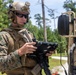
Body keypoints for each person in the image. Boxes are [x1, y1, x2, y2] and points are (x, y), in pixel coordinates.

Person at [0, 1, 54, 75]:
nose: (23, 18)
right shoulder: (4, 35)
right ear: (12, 15)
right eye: (20, 15)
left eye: (25, 16)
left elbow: (35, 60)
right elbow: (1, 65)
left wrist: (44, 54)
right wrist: (20, 52)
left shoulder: (29, 35)